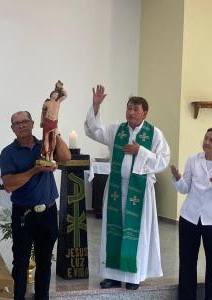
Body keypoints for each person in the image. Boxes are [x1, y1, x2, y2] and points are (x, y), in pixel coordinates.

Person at [84, 85, 170, 290]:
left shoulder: (155, 134)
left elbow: (163, 161)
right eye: (128, 108)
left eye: (135, 109)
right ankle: (112, 275)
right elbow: (94, 130)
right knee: (114, 230)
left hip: (140, 193)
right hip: (116, 188)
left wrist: (141, 150)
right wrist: (96, 105)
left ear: (145, 113)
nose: (130, 112)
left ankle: (133, 277)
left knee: (135, 234)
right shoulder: (116, 129)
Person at [0, 110, 71, 300]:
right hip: (24, 214)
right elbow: (9, 184)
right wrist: (34, 170)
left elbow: (66, 157)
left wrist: (55, 132)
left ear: (33, 124)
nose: (22, 125)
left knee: (45, 261)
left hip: (48, 212)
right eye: (17, 123)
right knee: (21, 261)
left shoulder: (45, 145)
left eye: (25, 121)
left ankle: (42, 297)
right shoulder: (8, 153)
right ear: (12, 128)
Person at [170, 128, 212, 300]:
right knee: (187, 262)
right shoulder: (193, 160)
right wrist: (178, 177)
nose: (207, 142)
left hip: (211, 220)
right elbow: (184, 188)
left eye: (211, 140)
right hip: (190, 217)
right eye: (206, 138)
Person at [40, 81, 67, 162]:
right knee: (46, 138)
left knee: (54, 138)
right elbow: (42, 113)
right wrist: (41, 121)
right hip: (47, 121)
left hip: (54, 122)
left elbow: (66, 95)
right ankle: (47, 154)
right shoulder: (47, 103)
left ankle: (51, 153)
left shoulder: (58, 102)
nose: (55, 95)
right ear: (51, 95)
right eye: (54, 94)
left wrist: (61, 88)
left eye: (56, 95)